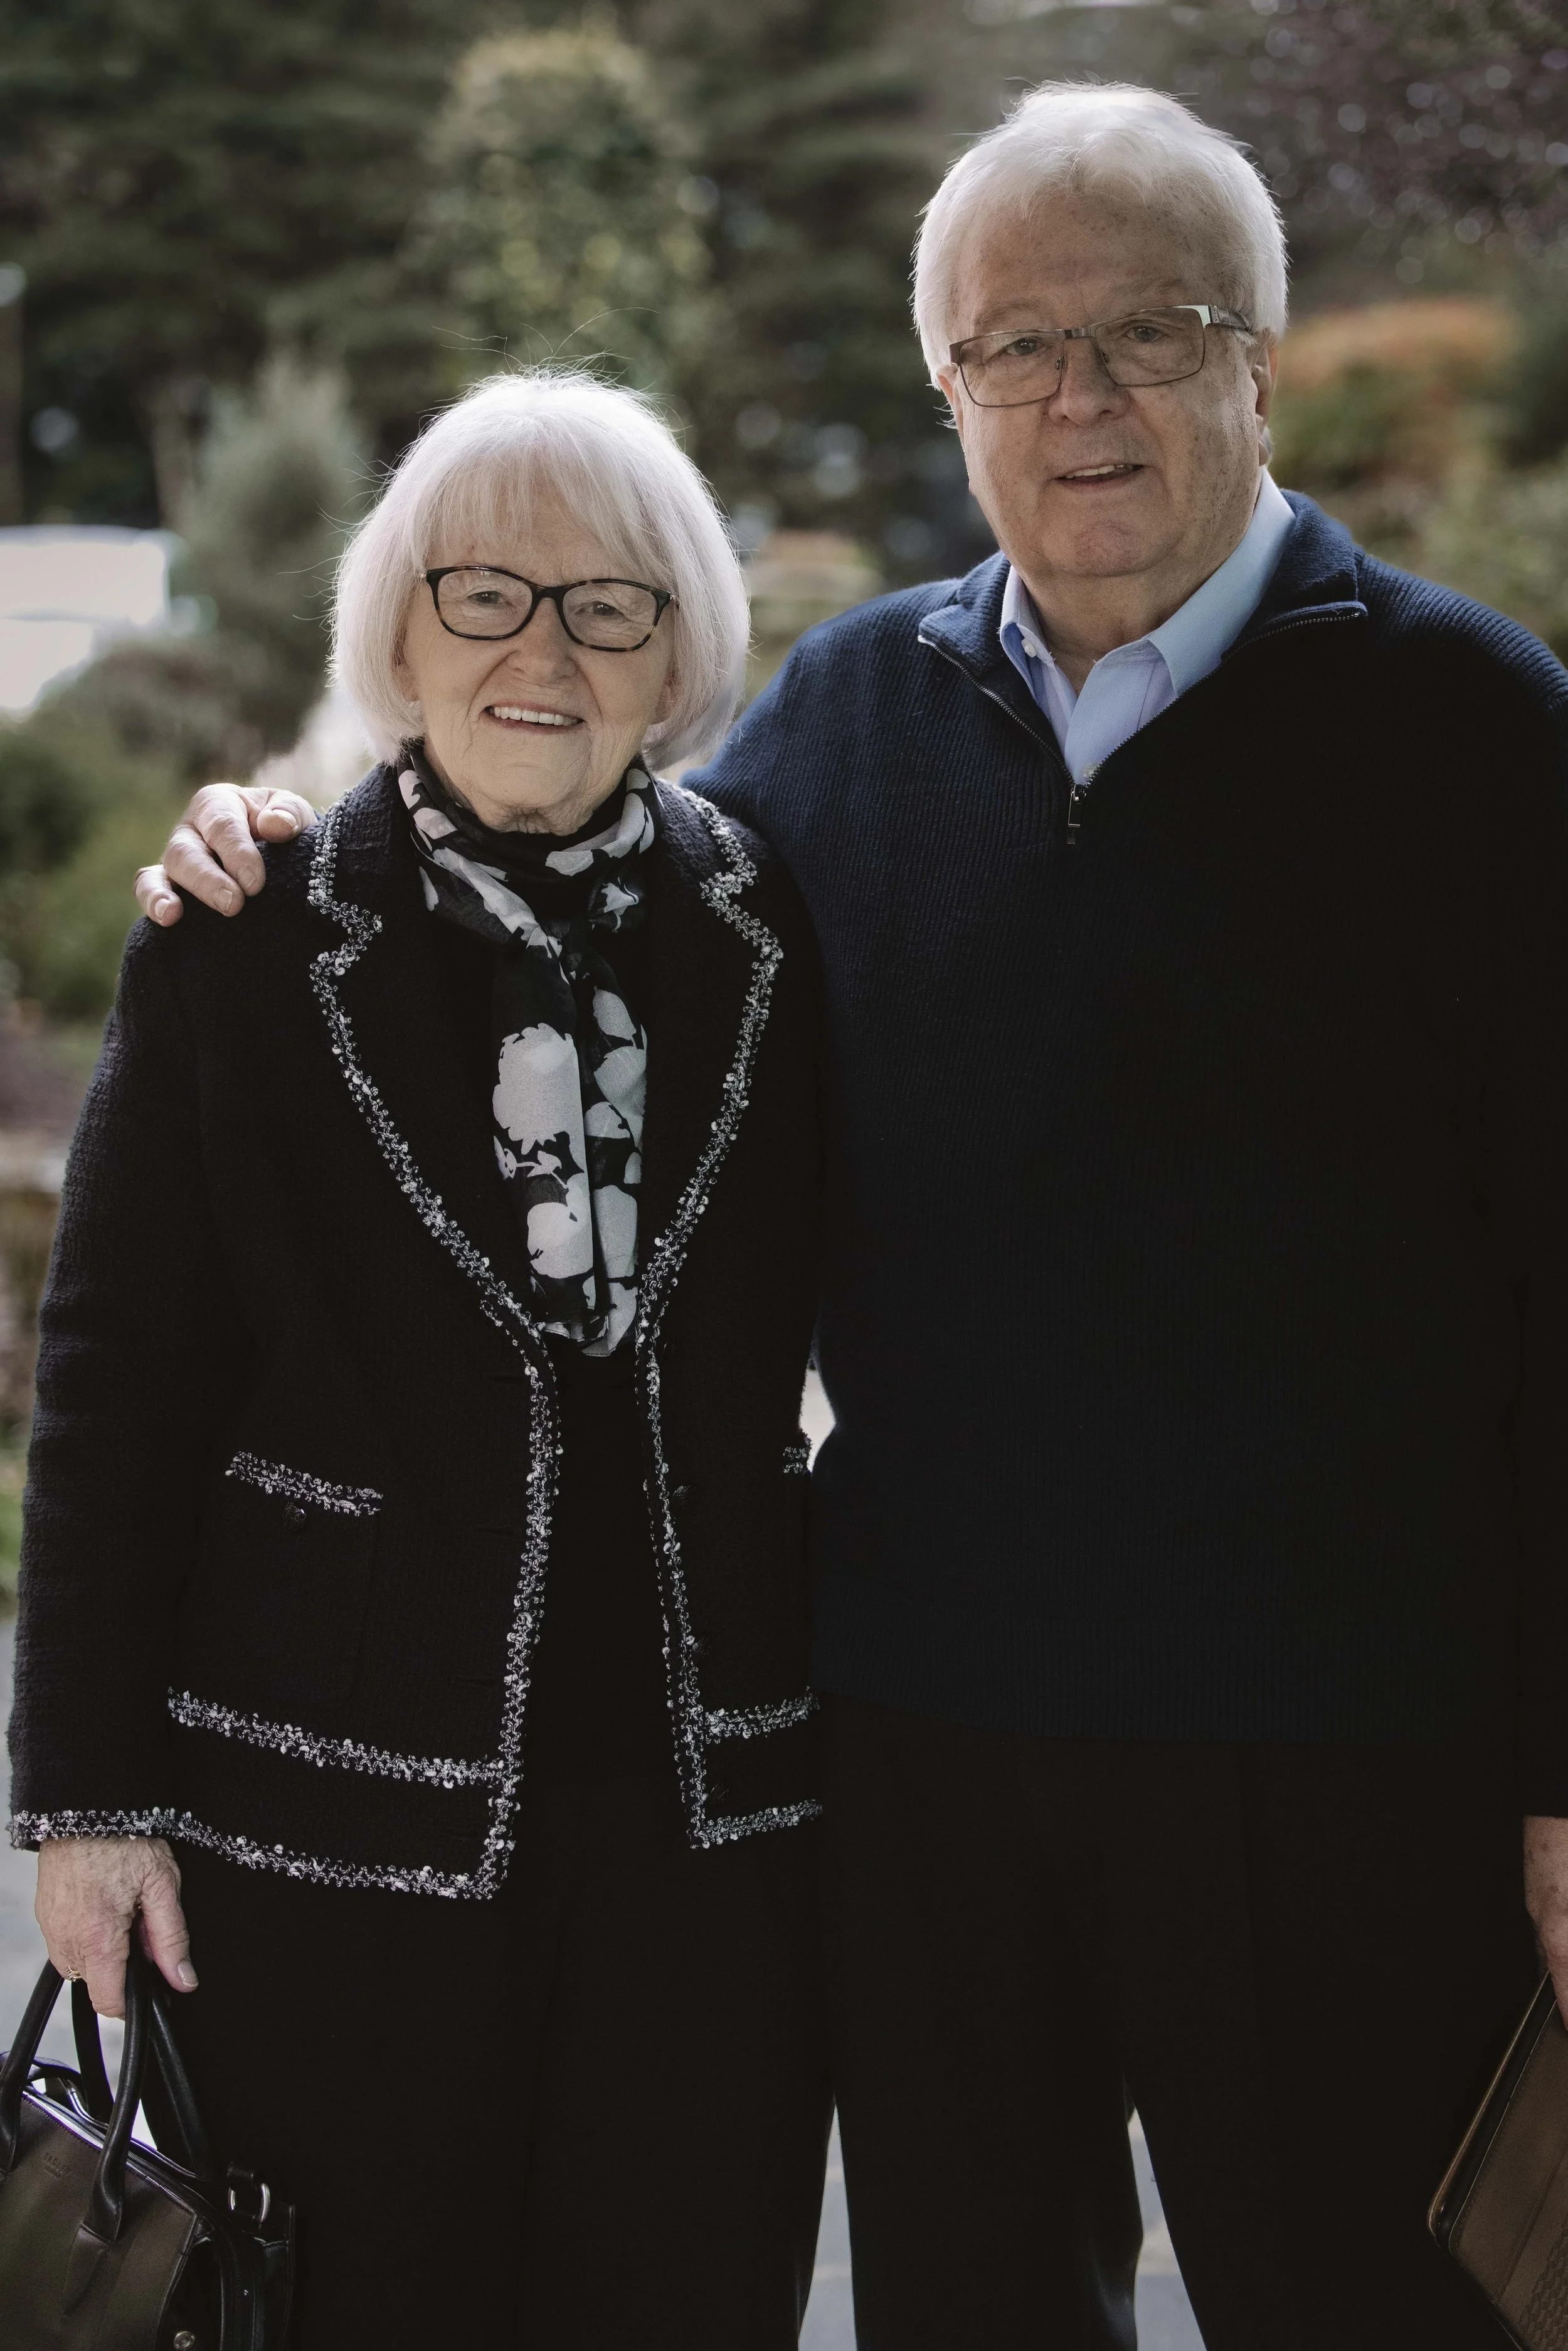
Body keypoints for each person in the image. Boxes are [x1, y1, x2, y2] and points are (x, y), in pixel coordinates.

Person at [135, 80, 1568, 2351]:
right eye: (1012, 344)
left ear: (1258, 361)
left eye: (1149, 331)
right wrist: (284, 831)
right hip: (920, 1752)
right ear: (947, 390)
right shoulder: (845, 716)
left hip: (1333, 1759)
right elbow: (548, 818)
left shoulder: (1485, 741)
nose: (1076, 394)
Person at [9, 370, 831, 2348]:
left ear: (678, 657)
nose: (540, 649)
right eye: (481, 593)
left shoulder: (767, 923)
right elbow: (117, 1378)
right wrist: (86, 1796)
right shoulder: (248, 930)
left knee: (680, 2288)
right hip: (327, 1816)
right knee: (359, 2297)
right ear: (395, 631)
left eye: (606, 604)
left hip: (705, 1830)